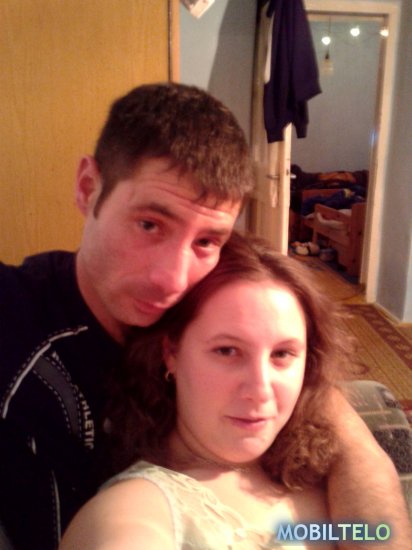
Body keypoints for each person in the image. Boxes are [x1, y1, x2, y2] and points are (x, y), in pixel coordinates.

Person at [0, 82, 253, 550]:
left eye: (206, 242)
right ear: (88, 188)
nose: (172, 280)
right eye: (149, 224)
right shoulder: (16, 313)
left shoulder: (210, 304)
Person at [59, 233, 411, 549]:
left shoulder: (308, 467)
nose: (260, 390)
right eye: (227, 351)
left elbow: (376, 535)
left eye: (282, 354)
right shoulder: (135, 514)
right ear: (171, 353)